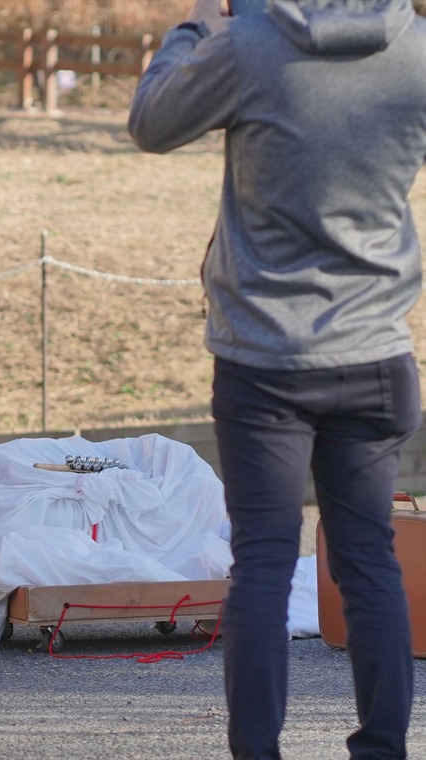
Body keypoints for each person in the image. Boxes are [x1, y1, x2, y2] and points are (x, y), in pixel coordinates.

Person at [128, 1, 426, 757]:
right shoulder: (417, 47)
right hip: (375, 351)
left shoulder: (254, 45)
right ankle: (386, 749)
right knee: (369, 561)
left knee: (261, 562)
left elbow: (152, 123)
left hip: (265, 360)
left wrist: (197, 25)